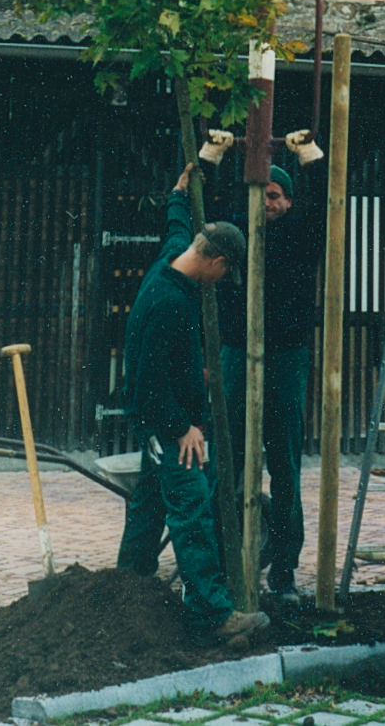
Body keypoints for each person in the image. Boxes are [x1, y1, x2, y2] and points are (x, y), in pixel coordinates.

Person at [116, 162, 269, 646]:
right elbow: (147, 383)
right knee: (193, 509)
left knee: (145, 512)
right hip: (169, 429)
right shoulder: (171, 304)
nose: (223, 281)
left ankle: (128, 592)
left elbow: (176, 225)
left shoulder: (171, 261)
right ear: (218, 262)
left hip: (157, 428)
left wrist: (180, 192)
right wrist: (182, 428)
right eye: (227, 274)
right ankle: (210, 614)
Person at [209, 163, 326, 604]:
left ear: (289, 200)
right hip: (237, 354)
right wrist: (216, 162)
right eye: (262, 194)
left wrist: (313, 161)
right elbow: (214, 213)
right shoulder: (236, 235)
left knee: (285, 466)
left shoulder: (300, 236)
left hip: (285, 358)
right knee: (228, 460)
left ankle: (283, 570)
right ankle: (225, 565)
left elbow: (322, 213)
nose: (268, 203)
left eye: (276, 195)